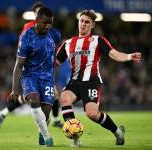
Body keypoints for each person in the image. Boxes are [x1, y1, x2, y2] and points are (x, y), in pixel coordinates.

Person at [56, 10, 141, 146]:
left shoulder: (98, 40)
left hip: (91, 82)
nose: (83, 24)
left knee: (92, 114)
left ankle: (117, 132)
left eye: (87, 22)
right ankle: (76, 139)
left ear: (92, 25)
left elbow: (114, 54)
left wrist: (129, 56)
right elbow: (56, 62)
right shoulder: (68, 43)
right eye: (81, 21)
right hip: (75, 82)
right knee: (65, 98)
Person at [0, 2, 63, 129]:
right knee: (44, 95)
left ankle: (4, 112)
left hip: (46, 68)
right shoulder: (28, 28)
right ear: (35, 15)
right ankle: (54, 120)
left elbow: (53, 47)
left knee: (42, 96)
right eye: (37, 12)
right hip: (31, 68)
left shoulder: (50, 31)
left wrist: (55, 58)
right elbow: (22, 47)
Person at [7, 7, 61, 147]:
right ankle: (47, 136)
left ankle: (41, 130)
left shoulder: (55, 35)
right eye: (45, 23)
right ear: (37, 20)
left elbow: (53, 58)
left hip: (47, 77)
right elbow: (19, 65)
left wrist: (53, 79)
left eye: (50, 23)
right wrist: (15, 89)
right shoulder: (26, 37)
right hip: (30, 75)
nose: (48, 26)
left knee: (46, 113)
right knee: (34, 100)